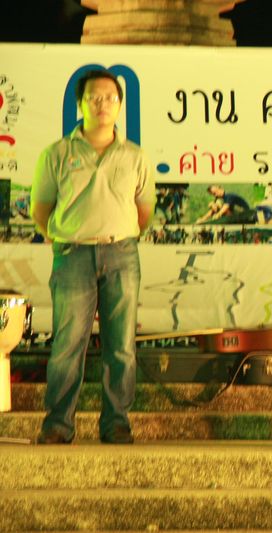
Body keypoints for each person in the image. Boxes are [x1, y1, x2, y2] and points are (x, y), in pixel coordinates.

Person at [31, 69, 155, 444]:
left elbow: (144, 210)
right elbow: (41, 209)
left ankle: (116, 422)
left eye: (110, 98)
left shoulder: (135, 156)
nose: (103, 105)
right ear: (80, 104)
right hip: (73, 255)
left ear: (120, 105)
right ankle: (58, 425)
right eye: (94, 98)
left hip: (121, 254)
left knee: (121, 346)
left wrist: (116, 233)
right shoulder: (57, 153)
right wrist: (69, 236)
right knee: (67, 344)